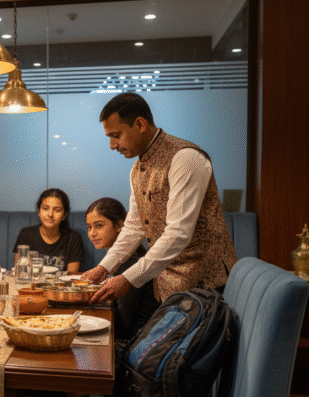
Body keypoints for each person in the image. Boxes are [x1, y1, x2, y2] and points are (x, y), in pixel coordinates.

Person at [83, 92, 238, 304]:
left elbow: (178, 233)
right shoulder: (137, 170)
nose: (112, 145)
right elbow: (135, 226)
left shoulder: (187, 158)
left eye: (116, 135)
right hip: (167, 286)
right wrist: (104, 267)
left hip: (207, 287)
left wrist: (128, 278)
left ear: (140, 124)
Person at [85, 198, 158, 343]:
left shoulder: (130, 261)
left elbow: (124, 324)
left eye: (99, 226)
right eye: (89, 227)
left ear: (119, 225)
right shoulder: (118, 257)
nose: (92, 233)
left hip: (134, 342)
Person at [12, 188, 85, 274]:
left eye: (57, 210)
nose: (50, 214)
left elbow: (71, 276)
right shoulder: (26, 234)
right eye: (45, 208)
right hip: (31, 285)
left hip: (60, 286)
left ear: (64, 215)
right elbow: (20, 271)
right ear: (39, 212)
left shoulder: (73, 238)